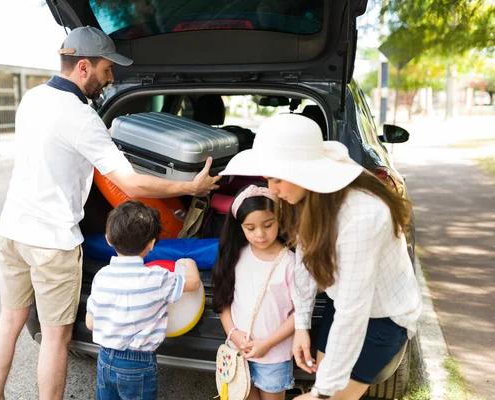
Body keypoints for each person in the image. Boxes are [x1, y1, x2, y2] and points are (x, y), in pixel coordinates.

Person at [0, 26, 219, 400]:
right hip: (53, 243)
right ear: (83, 67)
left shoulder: (32, 98)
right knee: (55, 336)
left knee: (9, 321)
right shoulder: (81, 117)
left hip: (12, 230)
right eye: (107, 70)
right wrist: (191, 188)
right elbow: (133, 185)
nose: (111, 79)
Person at [219, 113, 422, 400]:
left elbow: (355, 310)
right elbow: (305, 258)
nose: (272, 190)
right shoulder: (305, 197)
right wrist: (301, 325)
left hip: (382, 317)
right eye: (268, 179)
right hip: (341, 307)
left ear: (303, 172)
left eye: (277, 180)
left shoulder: (362, 216)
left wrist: (323, 394)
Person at [85, 200, 202, 399]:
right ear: (152, 244)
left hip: (105, 359)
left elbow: (90, 323)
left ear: (108, 239)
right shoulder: (157, 278)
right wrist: (188, 261)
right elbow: (193, 284)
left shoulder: (101, 276)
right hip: (137, 364)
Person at [211, 184, 316, 400]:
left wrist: (266, 344)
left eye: (268, 225)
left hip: (274, 357)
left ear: (279, 219)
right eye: (250, 228)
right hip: (238, 352)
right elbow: (224, 301)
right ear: (239, 227)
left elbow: (300, 312)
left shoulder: (290, 264)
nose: (260, 234)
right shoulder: (235, 256)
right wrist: (233, 334)